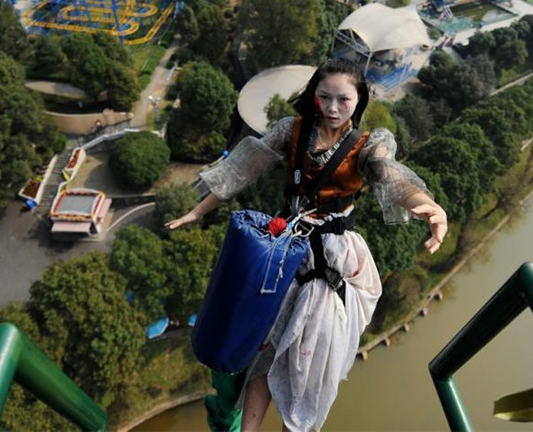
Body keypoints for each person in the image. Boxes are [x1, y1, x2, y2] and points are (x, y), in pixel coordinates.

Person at [167, 58, 448, 431]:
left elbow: (389, 176)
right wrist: (197, 212)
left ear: (359, 101)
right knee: (264, 347)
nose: (332, 108)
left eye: (343, 101)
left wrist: (427, 207)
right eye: (324, 97)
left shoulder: (366, 146)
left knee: (308, 360)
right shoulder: (292, 132)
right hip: (285, 249)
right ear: (314, 96)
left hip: (331, 257)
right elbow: (242, 168)